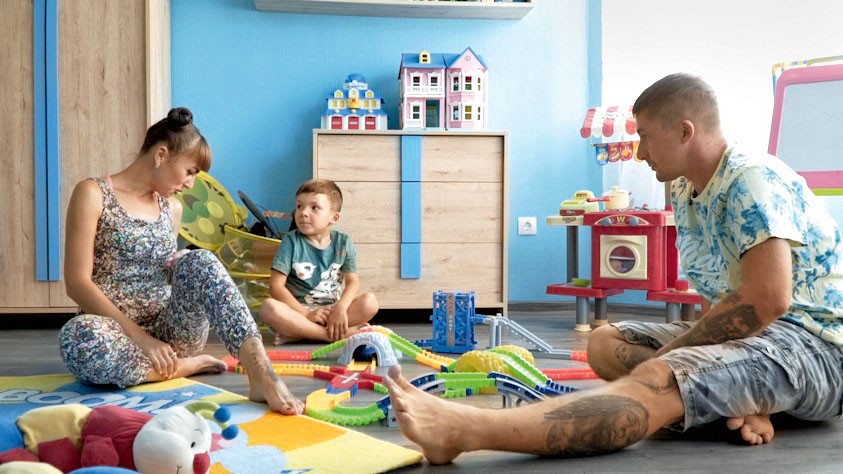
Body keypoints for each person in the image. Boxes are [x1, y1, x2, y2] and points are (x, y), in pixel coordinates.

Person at [383, 73, 843, 464]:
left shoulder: (750, 179)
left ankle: (468, 430)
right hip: (759, 340)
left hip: (815, 348)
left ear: (685, 131)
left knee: (660, 376)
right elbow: (715, 299)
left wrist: (676, 358)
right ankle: (737, 402)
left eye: (646, 137)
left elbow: (768, 299)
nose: (640, 152)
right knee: (604, 344)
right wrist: (708, 360)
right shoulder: (685, 189)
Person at [60, 107, 304, 415]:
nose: (190, 183)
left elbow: (168, 276)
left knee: (200, 258)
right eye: (190, 171)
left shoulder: (172, 208)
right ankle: (182, 367)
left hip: (173, 336)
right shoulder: (93, 193)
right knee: (76, 339)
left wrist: (184, 267)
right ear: (161, 154)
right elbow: (77, 283)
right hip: (112, 335)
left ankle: (261, 373)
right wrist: (143, 340)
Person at [259, 178, 378, 344]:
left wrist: (341, 308)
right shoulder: (291, 241)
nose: (303, 212)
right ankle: (331, 335)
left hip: (331, 312)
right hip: (297, 312)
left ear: (333, 218)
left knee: (370, 302)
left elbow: (353, 281)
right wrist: (306, 314)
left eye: (314, 207)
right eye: (299, 206)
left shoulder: (343, 242)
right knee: (268, 308)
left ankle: (301, 333)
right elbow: (276, 287)